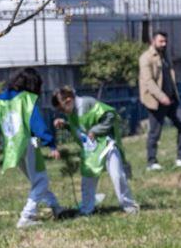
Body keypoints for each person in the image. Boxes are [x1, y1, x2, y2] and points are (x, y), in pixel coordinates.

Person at [0, 67, 62, 228]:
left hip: (12, 147)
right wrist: (51, 144)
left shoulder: (1, 100)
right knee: (41, 180)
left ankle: (56, 207)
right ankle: (27, 216)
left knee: (36, 179)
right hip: (30, 143)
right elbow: (36, 124)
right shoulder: (27, 99)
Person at [51, 86, 139, 216]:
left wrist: (96, 130)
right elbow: (81, 130)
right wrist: (65, 125)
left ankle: (130, 207)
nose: (62, 112)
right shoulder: (72, 111)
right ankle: (86, 210)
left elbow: (110, 115)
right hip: (91, 152)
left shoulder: (87, 103)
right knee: (87, 182)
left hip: (106, 146)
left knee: (117, 176)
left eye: (62, 109)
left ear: (69, 101)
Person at [138, 31, 181, 171]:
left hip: (171, 99)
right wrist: (161, 97)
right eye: (161, 41)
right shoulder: (146, 58)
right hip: (156, 101)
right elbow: (148, 82)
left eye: (165, 41)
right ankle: (151, 162)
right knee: (155, 132)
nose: (164, 44)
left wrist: (170, 96)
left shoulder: (166, 56)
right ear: (153, 41)